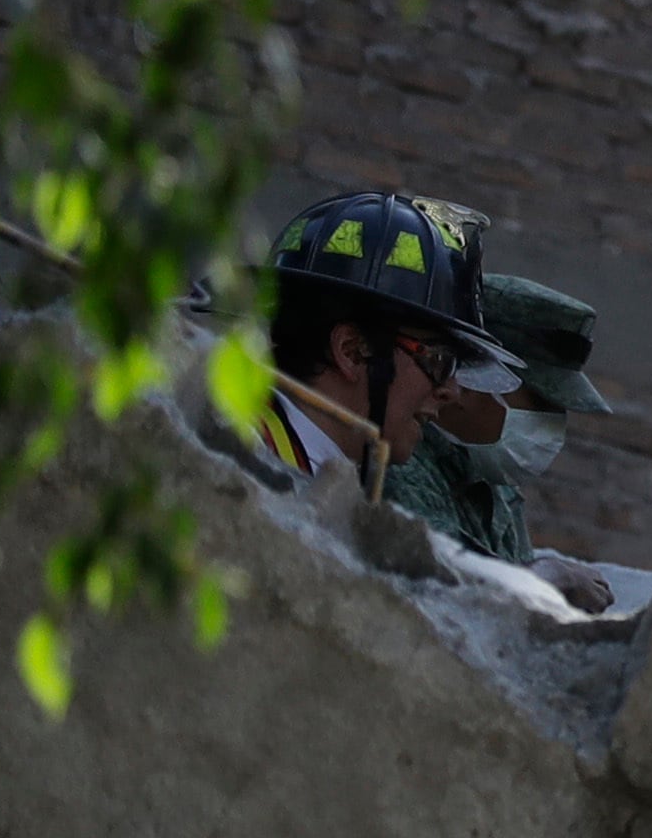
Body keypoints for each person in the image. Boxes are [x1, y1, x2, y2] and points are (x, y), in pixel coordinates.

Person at [400, 269, 628, 609]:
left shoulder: (496, 485)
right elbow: (441, 600)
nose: (552, 424)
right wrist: (546, 577)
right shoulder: (398, 458)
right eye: (541, 403)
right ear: (473, 379)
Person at [258, 189, 508, 479]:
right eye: (438, 360)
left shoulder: (310, 474)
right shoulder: (234, 454)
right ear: (351, 351)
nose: (450, 392)